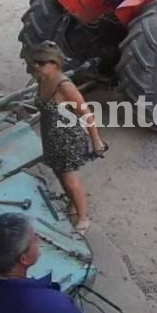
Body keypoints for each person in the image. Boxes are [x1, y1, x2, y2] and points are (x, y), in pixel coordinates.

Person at [30, 41, 108, 233]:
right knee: (60, 174)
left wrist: (96, 140)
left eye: (41, 63)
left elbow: (86, 113)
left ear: (54, 64)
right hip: (51, 136)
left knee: (71, 182)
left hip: (67, 139)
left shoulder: (65, 86)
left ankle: (83, 218)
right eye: (35, 62)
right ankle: (73, 205)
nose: (36, 66)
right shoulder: (42, 79)